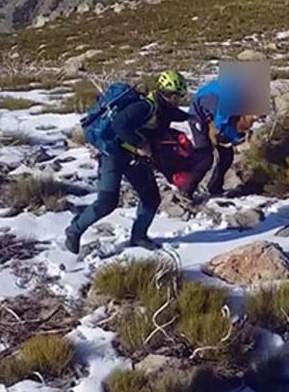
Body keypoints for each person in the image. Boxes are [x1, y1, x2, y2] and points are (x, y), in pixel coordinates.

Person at [64, 70, 190, 254]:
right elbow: (119, 126)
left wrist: (196, 117)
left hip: (134, 158)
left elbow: (177, 115)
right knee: (107, 201)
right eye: (177, 96)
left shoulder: (163, 107)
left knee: (151, 198)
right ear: (167, 94)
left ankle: (138, 236)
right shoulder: (144, 107)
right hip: (113, 154)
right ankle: (73, 231)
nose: (178, 100)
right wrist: (140, 144)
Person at [180, 76, 255, 200]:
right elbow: (219, 126)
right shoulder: (230, 98)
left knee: (227, 156)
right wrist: (236, 139)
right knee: (205, 159)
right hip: (198, 117)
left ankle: (215, 187)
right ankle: (186, 191)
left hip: (212, 115)